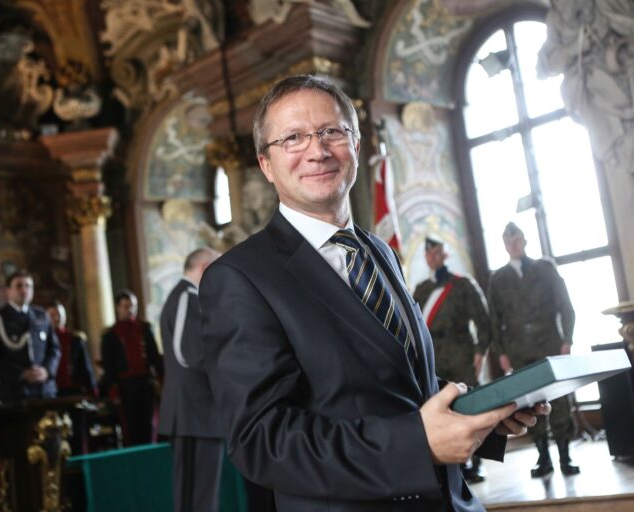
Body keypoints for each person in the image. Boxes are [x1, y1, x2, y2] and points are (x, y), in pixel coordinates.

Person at [197, 74, 549, 511]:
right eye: (293, 138)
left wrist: (482, 414)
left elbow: (398, 381)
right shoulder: (239, 278)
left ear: (356, 145)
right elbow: (262, 441)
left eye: (331, 131)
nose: (318, 150)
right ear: (266, 164)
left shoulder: (380, 251)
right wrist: (417, 444)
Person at [487, 222, 580, 477]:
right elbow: (494, 320)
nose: (513, 245)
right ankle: (543, 457)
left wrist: (567, 340)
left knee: (559, 400)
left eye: (517, 240)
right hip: (519, 349)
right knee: (530, 403)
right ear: (504, 245)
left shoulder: (545, 268)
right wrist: (501, 352)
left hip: (550, 344)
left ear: (525, 241)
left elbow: (566, 306)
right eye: (508, 242)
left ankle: (565, 456)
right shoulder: (498, 279)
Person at [412, 235, 491, 484]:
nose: (432, 257)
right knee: (440, 408)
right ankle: (456, 465)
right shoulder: (422, 289)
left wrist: (480, 352)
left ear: (445, 255)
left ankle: (476, 462)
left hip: (460, 352)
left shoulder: (462, 285)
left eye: (437, 252)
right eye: (428, 254)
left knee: (471, 407)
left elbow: (483, 321)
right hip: (433, 356)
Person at [158, 248, 226, 512]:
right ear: (204, 269)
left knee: (193, 495)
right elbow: (191, 353)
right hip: (196, 411)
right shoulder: (188, 297)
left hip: (192, 413)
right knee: (200, 497)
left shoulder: (182, 296)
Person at [0, 270, 60, 402]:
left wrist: (47, 371)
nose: (24, 290)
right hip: (14, 392)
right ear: (8, 291)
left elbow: (54, 349)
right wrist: (21, 374)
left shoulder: (42, 315)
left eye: (28, 286)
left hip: (45, 390)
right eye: (19, 286)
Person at [100, 290, 163, 446]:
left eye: (133, 306)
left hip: (145, 383)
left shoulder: (144, 329)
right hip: (125, 387)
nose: (130, 310)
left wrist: (162, 379)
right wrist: (113, 390)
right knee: (131, 427)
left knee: (150, 424)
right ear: (118, 307)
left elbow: (154, 356)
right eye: (126, 306)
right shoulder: (110, 335)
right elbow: (108, 365)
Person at [47, 301, 98, 398]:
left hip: (73, 389)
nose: (56, 318)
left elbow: (85, 367)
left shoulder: (75, 339)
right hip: (50, 390)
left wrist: (92, 390)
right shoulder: (41, 341)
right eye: (52, 315)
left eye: (59, 315)